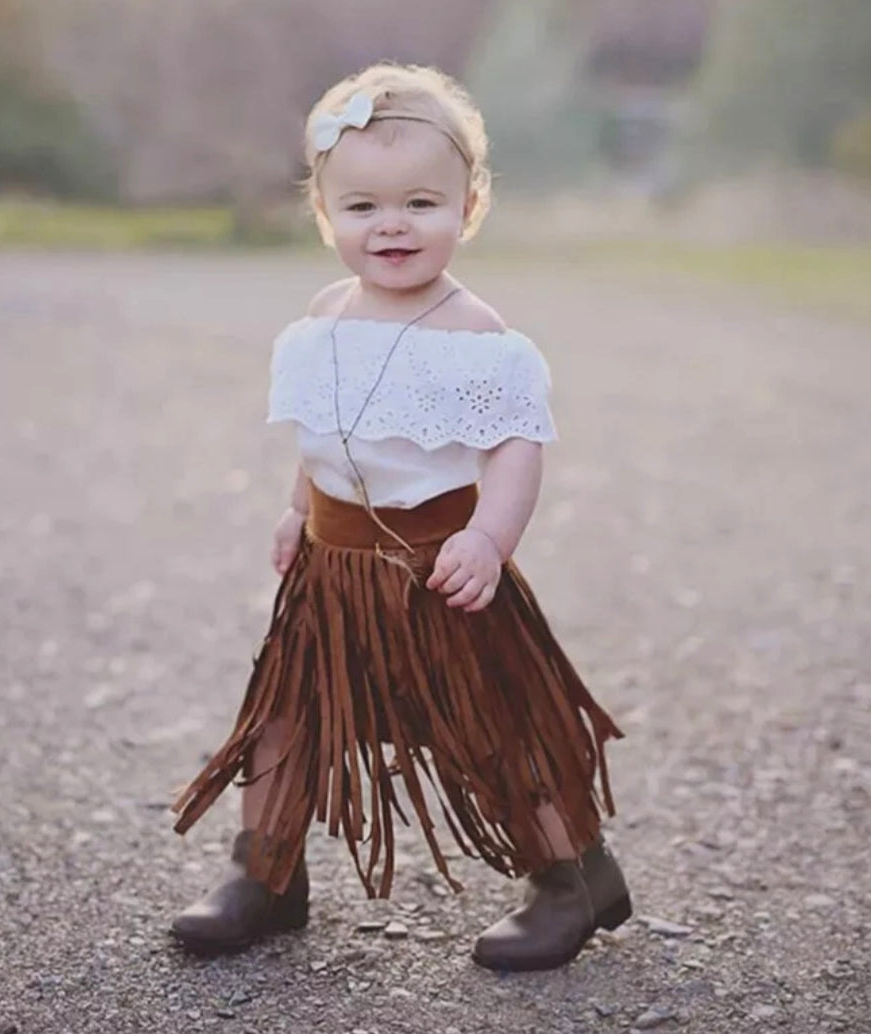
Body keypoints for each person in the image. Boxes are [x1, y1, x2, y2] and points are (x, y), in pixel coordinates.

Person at [169, 62, 631, 972]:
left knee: (492, 726)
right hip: (330, 577)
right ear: (325, 215)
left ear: (469, 207)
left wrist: (488, 540)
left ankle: (572, 875)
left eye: (421, 203)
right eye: (363, 207)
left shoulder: (477, 333)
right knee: (286, 718)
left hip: (439, 571)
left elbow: (515, 447)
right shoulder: (321, 319)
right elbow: (324, 433)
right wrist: (296, 511)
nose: (391, 225)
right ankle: (263, 873)